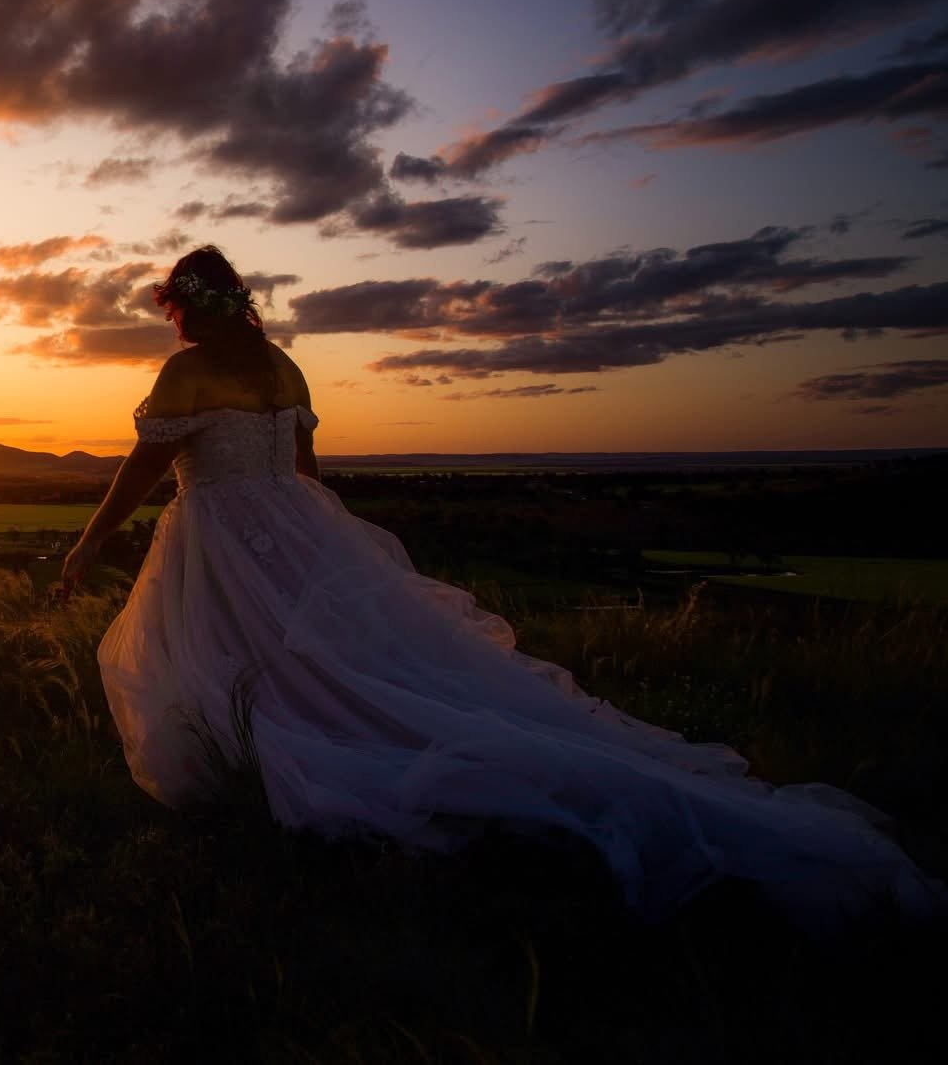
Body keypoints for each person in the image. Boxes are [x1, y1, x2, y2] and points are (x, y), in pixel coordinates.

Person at [59, 245, 943, 926]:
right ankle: (255, 759)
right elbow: (306, 467)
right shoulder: (282, 365)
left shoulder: (188, 371)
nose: (174, 325)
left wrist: (92, 539)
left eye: (174, 309)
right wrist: (318, 537)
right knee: (324, 661)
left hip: (222, 533)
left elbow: (145, 467)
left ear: (190, 306)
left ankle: (251, 777)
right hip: (297, 522)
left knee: (248, 659)